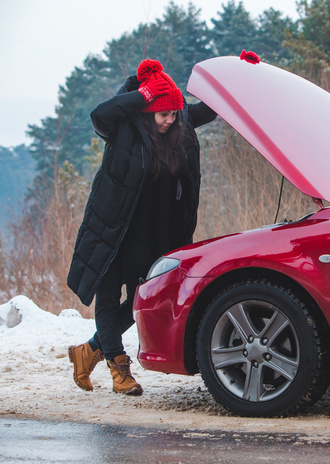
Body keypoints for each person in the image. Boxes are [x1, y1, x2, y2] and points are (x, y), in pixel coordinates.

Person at [67, 58, 217, 395]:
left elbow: (211, 109)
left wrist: (239, 77)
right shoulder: (123, 128)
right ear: (147, 110)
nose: (168, 120)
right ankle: (120, 370)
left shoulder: (181, 124)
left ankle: (88, 350)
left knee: (140, 300)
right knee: (106, 300)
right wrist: (140, 90)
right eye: (162, 114)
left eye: (173, 114)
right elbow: (100, 115)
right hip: (113, 231)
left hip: (154, 236)